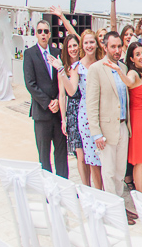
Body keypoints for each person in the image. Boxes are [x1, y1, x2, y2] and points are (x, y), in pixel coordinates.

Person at [86, 32, 136, 221]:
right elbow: (91, 103)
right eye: (113, 47)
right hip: (105, 130)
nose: (116, 50)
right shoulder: (96, 69)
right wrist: (96, 133)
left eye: (119, 46)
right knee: (107, 171)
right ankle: (112, 212)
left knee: (119, 171)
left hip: (123, 126)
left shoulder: (122, 67)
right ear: (105, 47)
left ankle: (119, 205)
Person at [23, 19, 68, 177]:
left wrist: (57, 99)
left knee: (61, 153)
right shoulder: (29, 54)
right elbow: (30, 83)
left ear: (50, 34)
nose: (43, 34)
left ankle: (63, 185)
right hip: (42, 113)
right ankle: (48, 189)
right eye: (40, 31)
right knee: (44, 155)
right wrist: (48, 102)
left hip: (57, 112)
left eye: (46, 31)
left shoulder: (56, 53)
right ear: (36, 33)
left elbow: (61, 79)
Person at [111, 42, 142, 197]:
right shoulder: (133, 73)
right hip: (138, 120)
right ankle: (141, 197)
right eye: (138, 54)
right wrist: (119, 72)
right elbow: (128, 81)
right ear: (131, 59)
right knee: (139, 162)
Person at [69, 30, 104, 188]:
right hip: (86, 116)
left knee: (104, 159)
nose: (89, 45)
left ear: (97, 44)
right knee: (93, 160)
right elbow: (71, 90)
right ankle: (97, 194)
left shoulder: (102, 63)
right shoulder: (76, 66)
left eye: (92, 42)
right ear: (82, 45)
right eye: (86, 42)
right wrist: (62, 72)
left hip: (103, 112)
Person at [55, 34, 86, 184]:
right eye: (70, 46)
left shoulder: (84, 65)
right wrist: (63, 119)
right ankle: (85, 185)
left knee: (88, 153)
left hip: (85, 108)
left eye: (75, 45)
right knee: (79, 154)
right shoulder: (64, 69)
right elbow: (62, 95)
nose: (73, 49)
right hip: (73, 111)